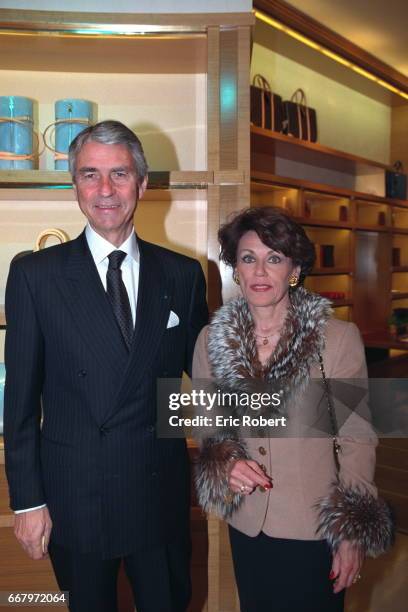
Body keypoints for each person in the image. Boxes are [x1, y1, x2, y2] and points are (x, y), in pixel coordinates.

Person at [4, 120, 208, 612]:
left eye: (119, 174)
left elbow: (206, 385)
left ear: (142, 184)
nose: (105, 190)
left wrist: (290, 423)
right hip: (75, 496)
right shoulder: (34, 276)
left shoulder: (182, 274)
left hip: (157, 494)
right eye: (90, 174)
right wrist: (28, 502)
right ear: (74, 185)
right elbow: (21, 403)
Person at [193, 207, 393, 612]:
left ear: (295, 269)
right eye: (249, 258)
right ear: (236, 268)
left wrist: (351, 532)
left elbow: (356, 438)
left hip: (314, 527)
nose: (260, 271)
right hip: (247, 524)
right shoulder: (210, 339)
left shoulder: (336, 340)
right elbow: (206, 423)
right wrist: (224, 460)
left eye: (275, 258)